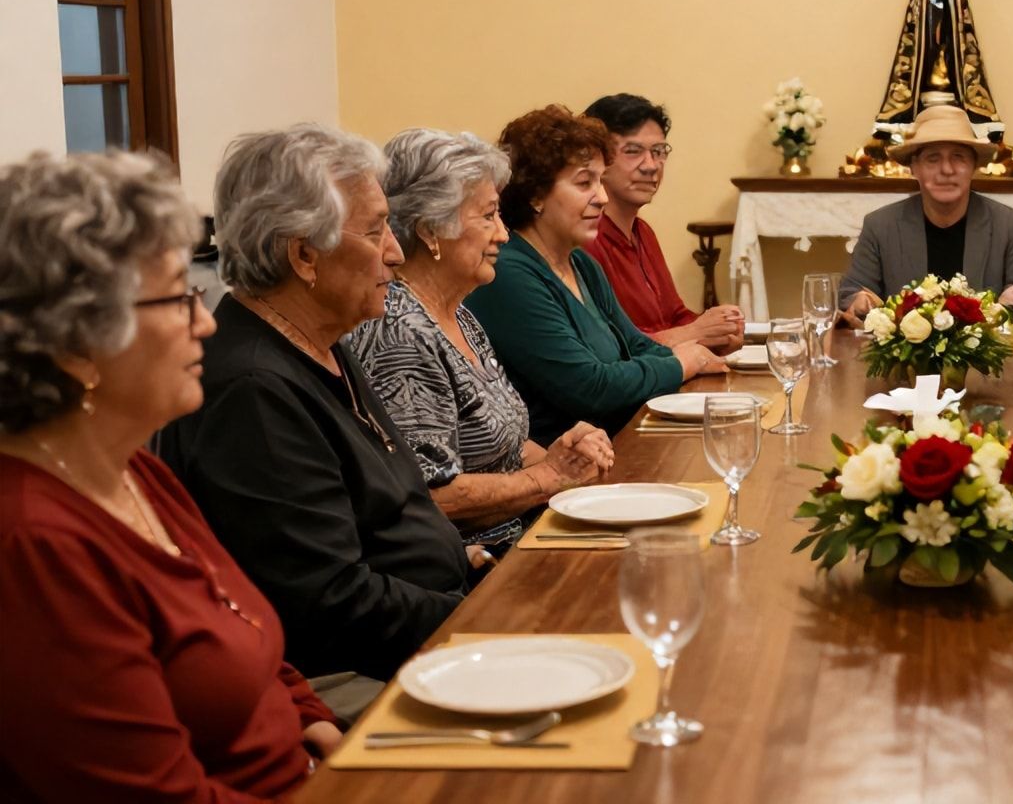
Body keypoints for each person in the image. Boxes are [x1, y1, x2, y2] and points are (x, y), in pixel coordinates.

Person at [0, 151, 338, 802]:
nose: (207, 323)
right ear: (76, 344)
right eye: (180, 300)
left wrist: (312, 719)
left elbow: (240, 623)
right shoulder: (34, 546)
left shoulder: (134, 470)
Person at [157, 124, 470, 683]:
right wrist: (483, 619)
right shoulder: (251, 390)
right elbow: (327, 603)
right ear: (304, 254)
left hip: (428, 627)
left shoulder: (320, 339)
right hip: (361, 673)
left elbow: (390, 514)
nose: (396, 253)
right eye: (375, 232)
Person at [349, 129, 616, 552]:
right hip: (472, 569)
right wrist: (548, 478)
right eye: (489, 215)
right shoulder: (400, 330)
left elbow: (505, 448)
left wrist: (561, 456)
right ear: (431, 229)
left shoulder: (458, 313)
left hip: (522, 533)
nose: (504, 235)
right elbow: (432, 496)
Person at [466, 105, 725, 441]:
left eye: (601, 180)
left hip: (618, 442)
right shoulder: (509, 273)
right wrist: (682, 364)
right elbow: (589, 388)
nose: (602, 197)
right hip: (563, 465)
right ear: (536, 194)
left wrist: (694, 358)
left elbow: (635, 346)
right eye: (585, 182)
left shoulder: (580, 262)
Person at [840, 104, 1013, 322]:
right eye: (933, 159)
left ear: (974, 165)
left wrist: (1007, 307)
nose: (946, 170)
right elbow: (850, 292)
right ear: (914, 167)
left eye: (958, 157)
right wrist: (860, 301)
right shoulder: (880, 226)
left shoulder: (1009, 225)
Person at [581, 94, 744, 353]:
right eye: (633, 152)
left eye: (658, 152)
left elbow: (676, 316)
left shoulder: (643, 232)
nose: (651, 166)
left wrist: (718, 330)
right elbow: (613, 347)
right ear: (597, 160)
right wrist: (695, 332)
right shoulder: (585, 238)